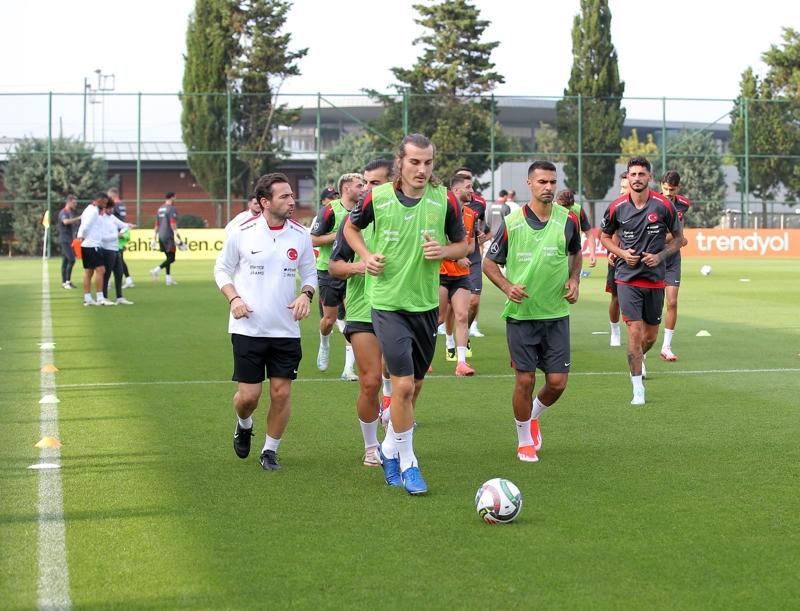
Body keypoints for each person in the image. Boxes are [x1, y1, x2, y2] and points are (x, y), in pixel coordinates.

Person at [345, 133, 468, 495]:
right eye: (414, 161)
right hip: (387, 304)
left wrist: (443, 251)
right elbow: (351, 228)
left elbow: (463, 245)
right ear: (399, 162)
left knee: (414, 386)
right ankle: (409, 461)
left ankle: (388, 447)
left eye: (428, 162)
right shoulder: (378, 196)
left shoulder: (444, 199)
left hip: (426, 306)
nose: (421, 169)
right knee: (401, 385)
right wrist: (366, 256)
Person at [214, 172, 317, 471]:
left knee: (281, 393)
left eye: (291, 195)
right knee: (248, 397)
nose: (292, 200)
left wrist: (306, 295)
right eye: (284, 196)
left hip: (286, 329)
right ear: (265, 202)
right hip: (248, 328)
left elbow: (310, 274)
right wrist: (234, 299)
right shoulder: (242, 232)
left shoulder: (301, 234)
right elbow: (221, 270)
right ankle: (244, 424)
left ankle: (270, 450)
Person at [483, 161, 582, 463]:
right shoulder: (512, 223)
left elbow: (575, 252)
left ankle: (534, 415)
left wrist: (574, 279)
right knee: (525, 381)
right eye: (542, 182)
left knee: (557, 383)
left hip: (556, 314)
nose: (548, 187)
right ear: (530, 184)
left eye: (552, 182)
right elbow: (489, 263)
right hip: (521, 316)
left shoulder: (568, 219)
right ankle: (524, 439)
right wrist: (507, 286)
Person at [600, 157, 684, 405]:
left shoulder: (663, 206)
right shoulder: (616, 207)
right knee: (635, 334)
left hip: (655, 279)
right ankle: (638, 388)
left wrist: (659, 256)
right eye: (633, 174)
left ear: (649, 177)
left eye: (641, 174)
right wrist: (621, 253)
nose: (637, 178)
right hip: (627, 278)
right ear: (627, 177)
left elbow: (679, 239)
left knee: (649, 338)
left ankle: (638, 358)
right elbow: (605, 237)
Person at [311, 173, 365, 380]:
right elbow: (313, 240)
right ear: (346, 189)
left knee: (352, 320)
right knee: (329, 319)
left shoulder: (364, 210)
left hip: (355, 271)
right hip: (329, 270)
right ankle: (324, 343)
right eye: (359, 185)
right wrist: (343, 233)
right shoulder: (330, 210)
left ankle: (348, 369)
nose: (363, 189)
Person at [360, 159, 395, 418]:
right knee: (370, 380)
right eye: (365, 183)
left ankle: (393, 405)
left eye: (374, 183)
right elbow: (335, 265)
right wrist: (363, 262)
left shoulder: (413, 215)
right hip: (364, 306)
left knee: (404, 374)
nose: (366, 188)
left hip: (403, 304)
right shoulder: (355, 221)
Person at [439, 173, 478, 376]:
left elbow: (470, 245)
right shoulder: (441, 210)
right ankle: (422, 358)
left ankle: (461, 363)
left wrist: (462, 253)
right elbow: (438, 241)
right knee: (437, 318)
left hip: (461, 274)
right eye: (468, 187)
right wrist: (456, 257)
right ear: (455, 190)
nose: (472, 191)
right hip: (440, 272)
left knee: (462, 316)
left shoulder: (471, 214)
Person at [453, 166, 489, 340]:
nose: (470, 187)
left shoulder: (479, 203)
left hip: (472, 257)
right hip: (451, 257)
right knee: (447, 308)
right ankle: (450, 339)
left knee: (473, 302)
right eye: (464, 180)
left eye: (470, 180)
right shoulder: (445, 203)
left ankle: (465, 331)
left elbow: (484, 227)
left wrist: (480, 235)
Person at [659, 171, 691, 361]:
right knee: (653, 307)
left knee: (672, 302)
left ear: (678, 188)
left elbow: (678, 227)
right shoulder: (653, 203)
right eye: (665, 189)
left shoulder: (683, 204)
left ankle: (666, 347)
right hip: (654, 257)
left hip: (672, 258)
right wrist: (677, 238)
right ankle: (642, 350)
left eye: (672, 190)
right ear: (661, 186)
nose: (668, 193)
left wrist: (678, 238)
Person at [76, 192, 114, 306]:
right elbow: (86, 226)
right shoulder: (93, 211)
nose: (105, 205)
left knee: (88, 272)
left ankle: (87, 298)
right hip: (92, 245)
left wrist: (80, 236)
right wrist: (83, 236)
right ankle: (100, 298)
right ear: (99, 200)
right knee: (101, 270)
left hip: (87, 245)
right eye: (104, 202)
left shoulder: (88, 209)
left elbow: (82, 224)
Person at [606, 171, 630, 347]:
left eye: (624, 187)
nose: (621, 191)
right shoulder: (616, 206)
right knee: (616, 298)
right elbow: (610, 233)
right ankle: (615, 330)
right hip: (618, 259)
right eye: (621, 187)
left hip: (639, 261)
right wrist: (614, 251)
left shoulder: (649, 206)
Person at [100, 199, 135, 305]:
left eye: (112, 208)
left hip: (115, 249)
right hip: (107, 249)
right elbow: (103, 237)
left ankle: (119, 297)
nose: (111, 210)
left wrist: (128, 225)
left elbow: (122, 225)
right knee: (107, 274)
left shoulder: (112, 217)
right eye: (109, 208)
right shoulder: (101, 219)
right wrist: (117, 235)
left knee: (119, 273)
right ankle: (104, 297)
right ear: (104, 208)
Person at [556, 189, 597, 268]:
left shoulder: (578, 210)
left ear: (572, 204)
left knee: (573, 274)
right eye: (563, 207)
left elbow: (589, 234)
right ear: (556, 202)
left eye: (568, 207)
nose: (565, 210)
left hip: (573, 249)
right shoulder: (550, 208)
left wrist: (592, 254)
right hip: (554, 250)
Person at [150, 192, 184, 285]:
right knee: (172, 258)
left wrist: (154, 236)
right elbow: (172, 222)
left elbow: (157, 224)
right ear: (172, 197)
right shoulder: (171, 208)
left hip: (161, 235)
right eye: (175, 197)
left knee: (168, 257)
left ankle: (168, 279)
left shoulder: (160, 208)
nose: (176, 199)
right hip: (168, 235)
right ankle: (156, 270)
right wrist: (176, 234)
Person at [107, 188, 134, 288]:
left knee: (112, 258)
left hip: (117, 234)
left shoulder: (114, 205)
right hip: (123, 231)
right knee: (118, 258)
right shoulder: (122, 204)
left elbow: (111, 218)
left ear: (112, 196)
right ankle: (128, 279)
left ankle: (108, 281)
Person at [57, 195, 81, 289]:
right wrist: (78, 218)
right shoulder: (64, 212)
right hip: (65, 239)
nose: (75, 204)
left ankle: (65, 282)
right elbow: (65, 222)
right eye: (74, 203)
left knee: (65, 260)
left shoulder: (70, 212)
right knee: (71, 259)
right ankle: (67, 282)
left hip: (69, 239)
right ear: (69, 202)